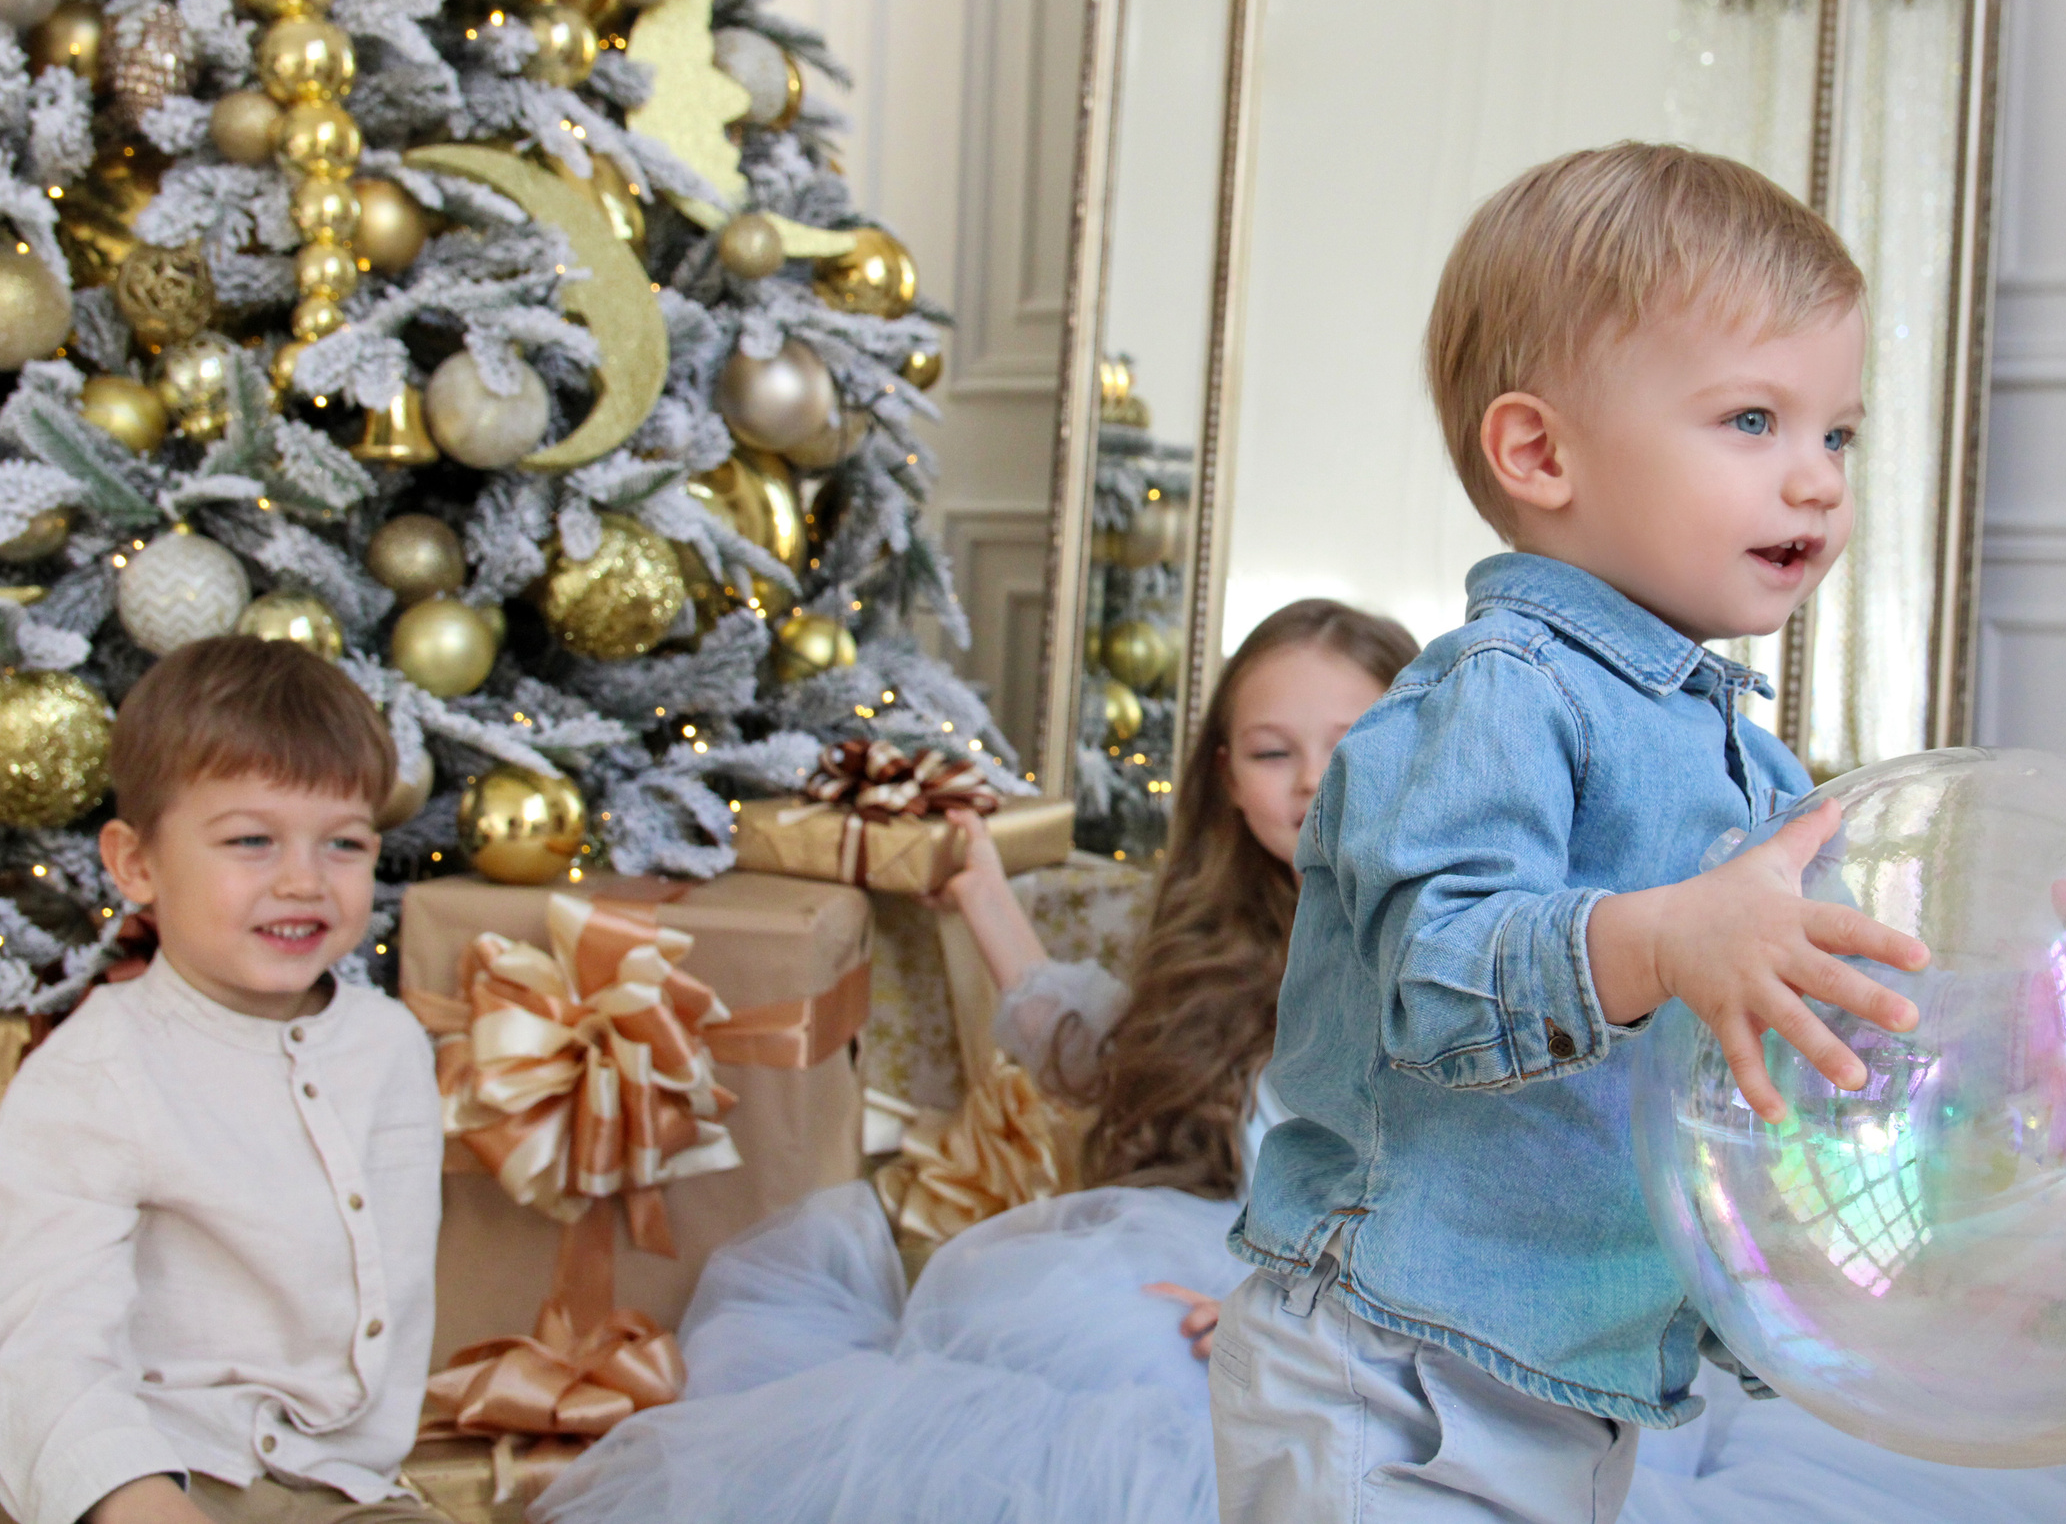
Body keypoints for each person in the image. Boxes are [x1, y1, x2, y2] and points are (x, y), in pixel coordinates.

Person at [1210, 144, 2066, 1523]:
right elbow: (1436, 976)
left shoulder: (1747, 761)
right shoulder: (1495, 694)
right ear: (1540, 450)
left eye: (1838, 432)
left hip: (1576, 1357)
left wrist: (2016, 1011)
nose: (1819, 480)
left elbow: (1810, 1021)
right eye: (1753, 419)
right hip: (1393, 1355)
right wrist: (1667, 935)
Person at [528, 599, 1420, 1524]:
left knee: (1177, 1409)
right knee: (1038, 1364)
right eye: (1273, 753)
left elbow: (1494, 1198)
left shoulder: (1461, 951)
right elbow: (1117, 1061)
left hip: (1369, 1321)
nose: (1312, 782)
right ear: (1227, 778)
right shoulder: (1227, 937)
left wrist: (1310, 1311)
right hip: (1203, 1267)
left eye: (1349, 747)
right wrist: (983, 896)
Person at [0, 637, 447, 1524]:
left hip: (345, 1484)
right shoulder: (97, 1074)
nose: (302, 881)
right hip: (160, 1471)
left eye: (345, 844)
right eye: (250, 839)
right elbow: (36, 1339)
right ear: (136, 864)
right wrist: (131, 1497)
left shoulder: (389, 1046)